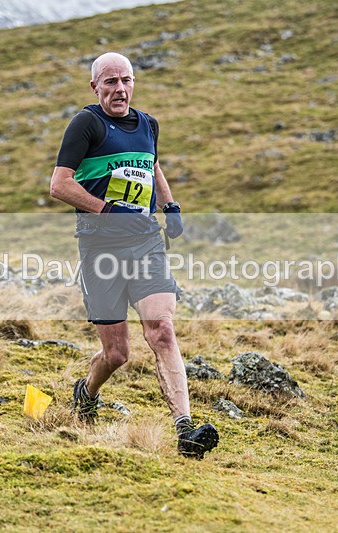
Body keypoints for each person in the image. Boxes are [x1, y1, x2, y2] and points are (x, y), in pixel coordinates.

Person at [49, 52, 219, 459]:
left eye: (125, 80)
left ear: (134, 82)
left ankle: (185, 430)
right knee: (117, 354)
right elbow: (59, 185)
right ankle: (86, 392)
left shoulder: (148, 124)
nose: (119, 89)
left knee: (161, 329)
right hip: (100, 248)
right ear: (95, 87)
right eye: (109, 82)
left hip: (145, 242)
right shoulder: (86, 123)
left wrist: (171, 206)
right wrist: (106, 209)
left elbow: (152, 164)